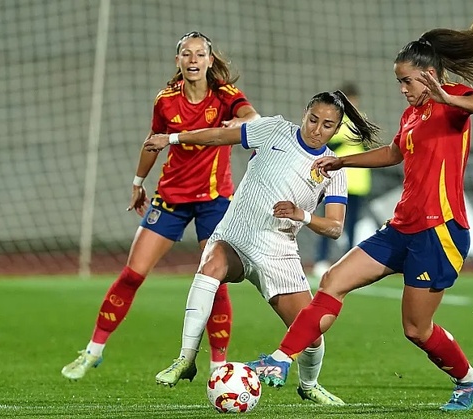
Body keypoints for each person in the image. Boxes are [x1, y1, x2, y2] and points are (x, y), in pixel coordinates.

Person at [247, 4, 473, 412]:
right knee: (333, 280)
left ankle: (468, 379)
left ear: (429, 75)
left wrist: (447, 96)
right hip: (401, 228)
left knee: (415, 328)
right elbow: (393, 153)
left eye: (407, 81)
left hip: (438, 232)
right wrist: (341, 160)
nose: (402, 88)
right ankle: (280, 361)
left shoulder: (455, 101)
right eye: (399, 81)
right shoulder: (411, 115)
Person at [143, 90, 381, 404]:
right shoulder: (274, 129)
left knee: (311, 333)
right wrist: (172, 139)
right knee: (210, 263)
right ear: (303, 114)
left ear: (335, 130)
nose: (316, 129)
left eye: (326, 125)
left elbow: (335, 228)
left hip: (278, 253)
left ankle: (309, 386)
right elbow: (219, 136)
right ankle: (186, 359)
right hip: (235, 237)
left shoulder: (333, 170)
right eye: (313, 119)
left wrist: (303, 215)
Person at [61, 31, 260, 380]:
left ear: (210, 61)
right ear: (178, 61)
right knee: (132, 274)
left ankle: (218, 367)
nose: (193, 60)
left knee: (215, 281)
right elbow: (152, 142)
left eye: (200, 54)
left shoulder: (226, 96)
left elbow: (252, 118)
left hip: (215, 201)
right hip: (170, 199)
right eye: (187, 54)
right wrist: (138, 183)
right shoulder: (166, 100)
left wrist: (240, 123)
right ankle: (93, 351)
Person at [313, 82, 372, 277]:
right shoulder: (334, 120)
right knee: (328, 222)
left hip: (358, 181)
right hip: (335, 180)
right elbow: (329, 146)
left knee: (352, 225)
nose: (352, 103)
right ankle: (321, 260)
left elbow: (367, 149)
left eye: (354, 100)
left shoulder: (361, 120)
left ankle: (348, 263)